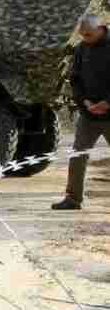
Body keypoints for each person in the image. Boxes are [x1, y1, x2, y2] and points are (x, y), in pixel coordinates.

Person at [52, 14, 110, 210]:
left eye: (88, 35)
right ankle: (73, 198)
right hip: (88, 115)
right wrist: (84, 101)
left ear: (100, 29)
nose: (85, 38)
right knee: (78, 155)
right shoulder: (81, 49)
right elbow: (74, 79)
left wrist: (107, 103)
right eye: (82, 35)